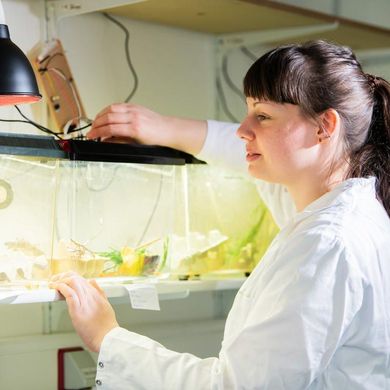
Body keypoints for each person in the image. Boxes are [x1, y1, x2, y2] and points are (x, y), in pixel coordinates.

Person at [50, 40, 390, 389]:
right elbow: (237, 146)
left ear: (324, 126)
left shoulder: (327, 241)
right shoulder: (351, 211)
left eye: (262, 115)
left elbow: (235, 386)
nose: (244, 130)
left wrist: (107, 338)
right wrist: (162, 128)